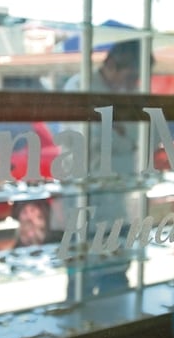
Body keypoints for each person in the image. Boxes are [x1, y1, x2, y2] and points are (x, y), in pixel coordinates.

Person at [63, 39, 150, 297]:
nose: (135, 83)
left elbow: (142, 137)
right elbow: (93, 139)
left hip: (119, 194)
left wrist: (121, 134)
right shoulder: (81, 87)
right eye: (132, 75)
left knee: (117, 273)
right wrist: (122, 136)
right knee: (83, 278)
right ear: (112, 65)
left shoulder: (128, 94)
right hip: (86, 194)